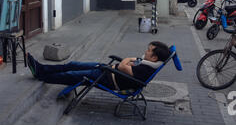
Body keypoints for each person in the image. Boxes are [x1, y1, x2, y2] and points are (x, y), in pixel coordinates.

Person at [27, 41, 171, 90]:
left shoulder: (146, 69)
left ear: (154, 57)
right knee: (73, 64)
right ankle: (42, 69)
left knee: (71, 76)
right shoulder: (148, 64)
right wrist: (127, 63)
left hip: (107, 79)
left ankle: (42, 76)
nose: (145, 52)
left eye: (148, 50)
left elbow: (122, 67)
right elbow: (126, 66)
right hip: (106, 71)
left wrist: (128, 59)